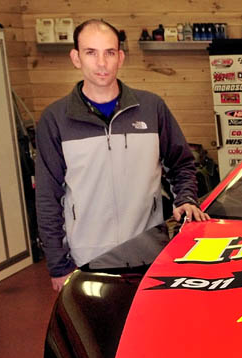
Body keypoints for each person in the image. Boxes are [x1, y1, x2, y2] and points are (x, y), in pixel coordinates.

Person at [35, 19, 208, 292]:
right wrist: (57, 265)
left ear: (121, 57)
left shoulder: (152, 108)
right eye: (91, 52)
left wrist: (186, 197)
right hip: (88, 260)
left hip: (150, 255)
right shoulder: (55, 119)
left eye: (110, 52)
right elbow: (47, 196)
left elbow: (182, 162)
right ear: (76, 58)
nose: (101, 62)